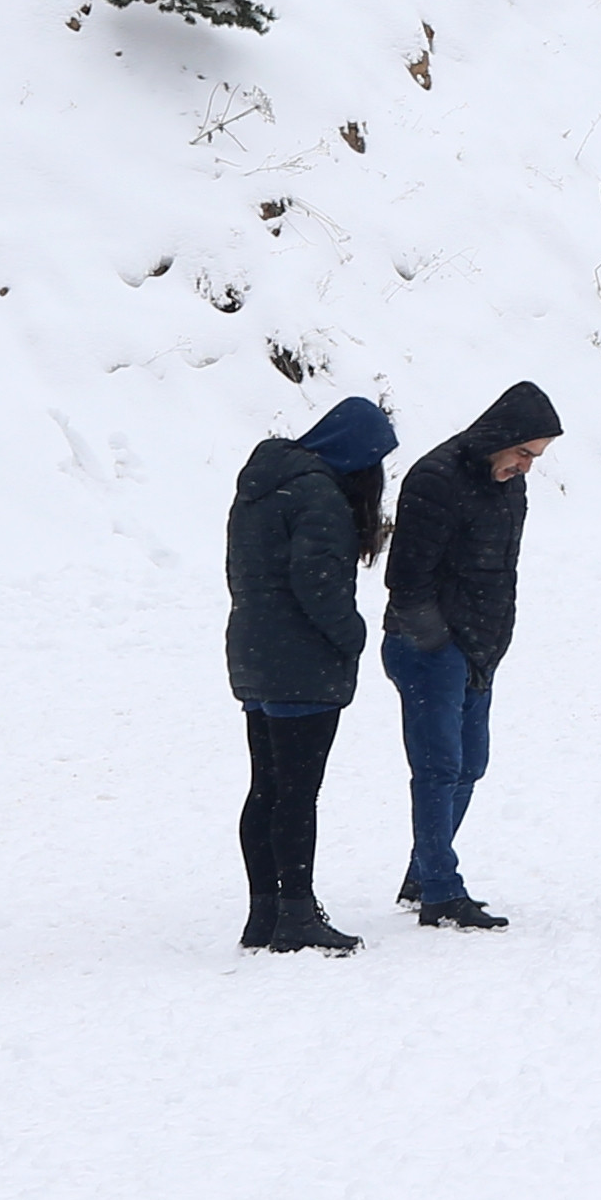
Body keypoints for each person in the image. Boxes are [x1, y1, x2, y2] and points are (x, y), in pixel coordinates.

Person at [380, 383, 561, 930]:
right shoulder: (436, 479)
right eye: (523, 453)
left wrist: (487, 643)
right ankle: (439, 891)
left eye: (536, 458)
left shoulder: (508, 487)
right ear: (499, 438)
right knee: (439, 769)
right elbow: (405, 579)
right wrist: (439, 642)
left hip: (480, 646)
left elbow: (499, 570)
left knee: (470, 764)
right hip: (429, 646)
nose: (526, 467)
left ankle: (422, 871)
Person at [224, 396, 398, 955]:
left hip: (254, 654)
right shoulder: (320, 494)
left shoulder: (261, 486)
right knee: (299, 793)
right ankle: (297, 914)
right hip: (302, 665)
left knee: (267, 788)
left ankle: (263, 915)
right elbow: (317, 584)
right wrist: (353, 636)